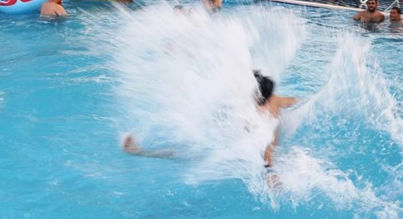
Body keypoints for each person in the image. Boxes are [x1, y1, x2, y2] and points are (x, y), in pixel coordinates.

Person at [122, 71, 298, 170]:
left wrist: (271, 173)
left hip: (246, 157)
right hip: (235, 144)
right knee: (189, 149)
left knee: (185, 154)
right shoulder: (274, 99)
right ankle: (142, 151)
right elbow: (295, 102)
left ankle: (142, 152)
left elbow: (267, 149)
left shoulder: (260, 116)